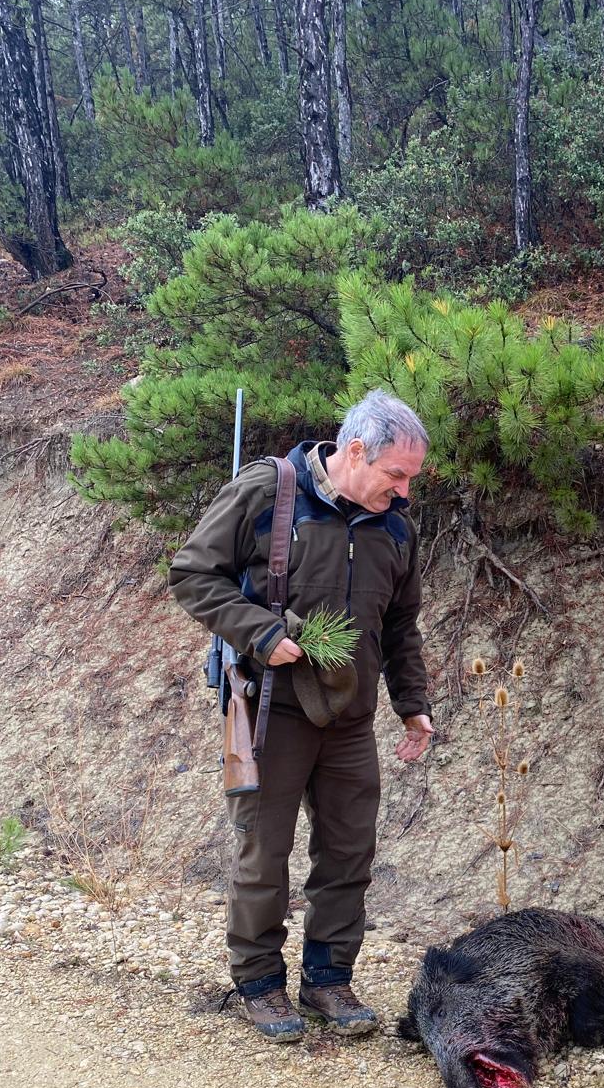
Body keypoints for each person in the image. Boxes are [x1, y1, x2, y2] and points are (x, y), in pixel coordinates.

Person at [169, 390, 434, 1043]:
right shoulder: (268, 492)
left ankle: (328, 979)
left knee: (349, 853)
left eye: (411, 478)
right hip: (272, 709)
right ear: (355, 451)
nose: (404, 492)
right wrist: (259, 632)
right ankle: (259, 983)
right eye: (396, 475)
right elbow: (193, 574)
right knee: (264, 854)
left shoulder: (396, 527)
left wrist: (412, 704)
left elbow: (401, 625)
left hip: (351, 717)